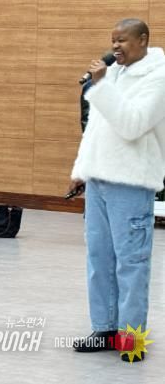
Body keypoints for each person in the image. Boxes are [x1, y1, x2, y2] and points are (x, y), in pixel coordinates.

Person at [69, 18, 165, 363]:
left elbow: (132, 124)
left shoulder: (157, 76)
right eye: (113, 41)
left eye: (122, 40)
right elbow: (96, 130)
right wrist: (81, 171)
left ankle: (132, 338)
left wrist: (102, 85)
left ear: (143, 39)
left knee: (131, 263)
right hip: (99, 180)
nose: (115, 47)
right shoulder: (115, 74)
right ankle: (106, 329)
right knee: (99, 260)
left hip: (131, 182)